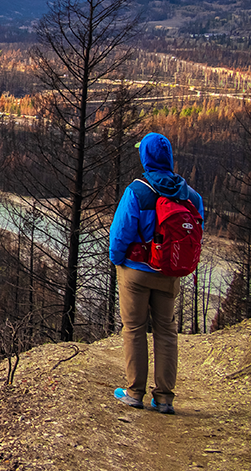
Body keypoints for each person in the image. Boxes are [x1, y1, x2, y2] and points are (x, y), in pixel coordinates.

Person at [109, 132, 204, 415]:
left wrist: (118, 261)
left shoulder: (137, 191)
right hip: (169, 273)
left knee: (135, 328)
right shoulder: (192, 197)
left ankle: (134, 392)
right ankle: (164, 398)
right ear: (169, 158)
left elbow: (120, 233)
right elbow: (194, 236)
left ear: (145, 157)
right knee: (166, 332)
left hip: (136, 272)